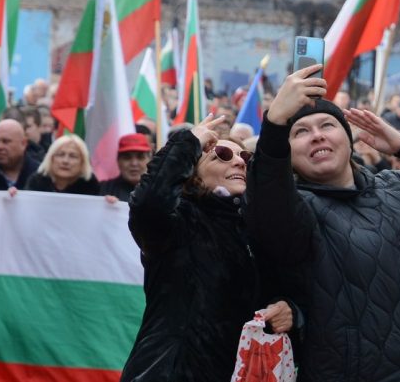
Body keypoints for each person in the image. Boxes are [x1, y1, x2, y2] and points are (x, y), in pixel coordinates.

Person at [244, 64, 400, 381]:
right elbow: (268, 207)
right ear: (288, 154)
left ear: (349, 139)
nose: (317, 135)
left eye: (327, 125)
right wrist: (274, 127)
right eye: (300, 132)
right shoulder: (296, 212)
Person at [120, 115, 294, 382]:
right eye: (222, 155)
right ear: (194, 173)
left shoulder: (257, 230)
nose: (239, 161)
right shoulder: (179, 222)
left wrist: (286, 308)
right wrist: (186, 144)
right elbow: (148, 205)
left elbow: (277, 292)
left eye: (244, 157)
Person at [25, 135, 100, 195]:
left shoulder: (91, 185)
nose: (65, 161)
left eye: (73, 156)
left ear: (83, 162)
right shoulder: (36, 182)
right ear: (51, 159)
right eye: (60, 155)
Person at [99, 133, 151, 202]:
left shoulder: (160, 191)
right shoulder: (103, 190)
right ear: (118, 161)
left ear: (150, 160)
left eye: (140, 157)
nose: (134, 163)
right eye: (127, 157)